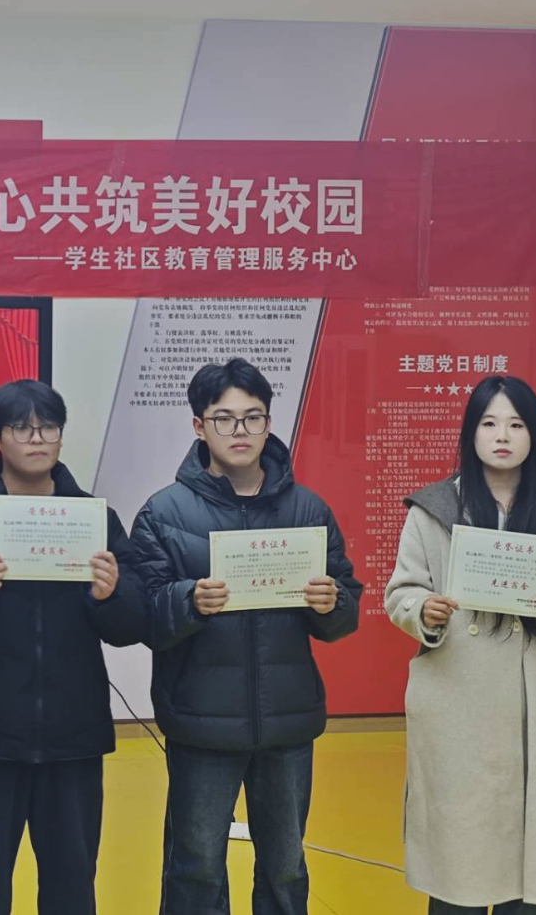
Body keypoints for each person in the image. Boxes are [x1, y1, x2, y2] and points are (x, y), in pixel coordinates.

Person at [0, 379, 146, 915]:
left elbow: (133, 624)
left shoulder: (92, 519)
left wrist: (112, 594)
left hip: (72, 740)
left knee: (71, 887)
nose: (37, 439)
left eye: (49, 427)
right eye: (21, 428)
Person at [130, 357, 361, 915]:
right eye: (224, 418)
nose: (240, 431)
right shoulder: (163, 513)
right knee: (195, 865)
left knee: (286, 867)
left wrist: (331, 603)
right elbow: (142, 614)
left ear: (268, 423)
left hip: (286, 720)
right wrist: (188, 601)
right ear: (199, 425)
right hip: (201, 721)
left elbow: (344, 610)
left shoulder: (307, 509)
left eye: (253, 418)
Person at [385, 374, 536, 915]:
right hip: (457, 702)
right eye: (489, 423)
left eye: (516, 424)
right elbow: (402, 591)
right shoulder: (433, 509)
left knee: (529, 866)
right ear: (472, 433)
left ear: (535, 435)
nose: (503, 435)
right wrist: (424, 610)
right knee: (459, 863)